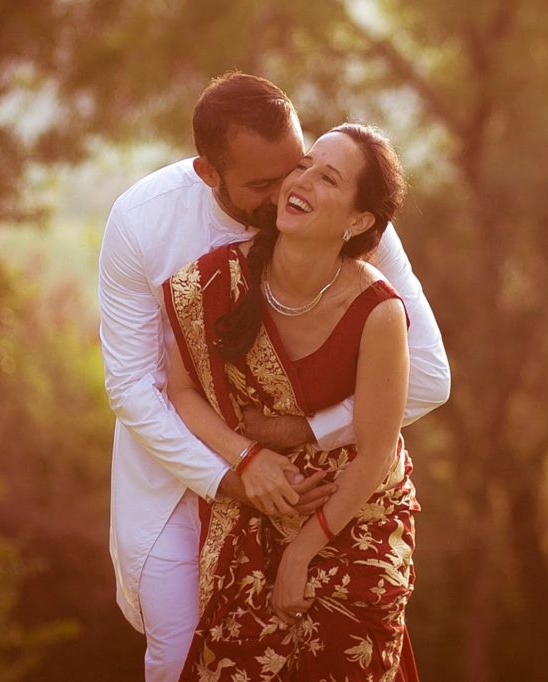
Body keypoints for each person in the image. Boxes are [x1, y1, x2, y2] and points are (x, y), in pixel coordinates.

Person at [98, 72, 450, 681]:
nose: (289, 187)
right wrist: (237, 468)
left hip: (321, 493)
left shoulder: (356, 229)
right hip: (175, 470)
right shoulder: (145, 226)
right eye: (264, 182)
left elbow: (427, 378)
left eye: (300, 164)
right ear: (209, 174)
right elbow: (136, 388)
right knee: (184, 652)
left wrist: (301, 432)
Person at [165, 122, 419, 681]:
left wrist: (301, 554)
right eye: (303, 165)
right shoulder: (215, 281)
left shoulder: (378, 311)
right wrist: (246, 458)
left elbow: (376, 453)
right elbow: (182, 391)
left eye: (327, 177)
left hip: (355, 522)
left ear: (358, 221)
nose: (300, 180)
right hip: (254, 506)